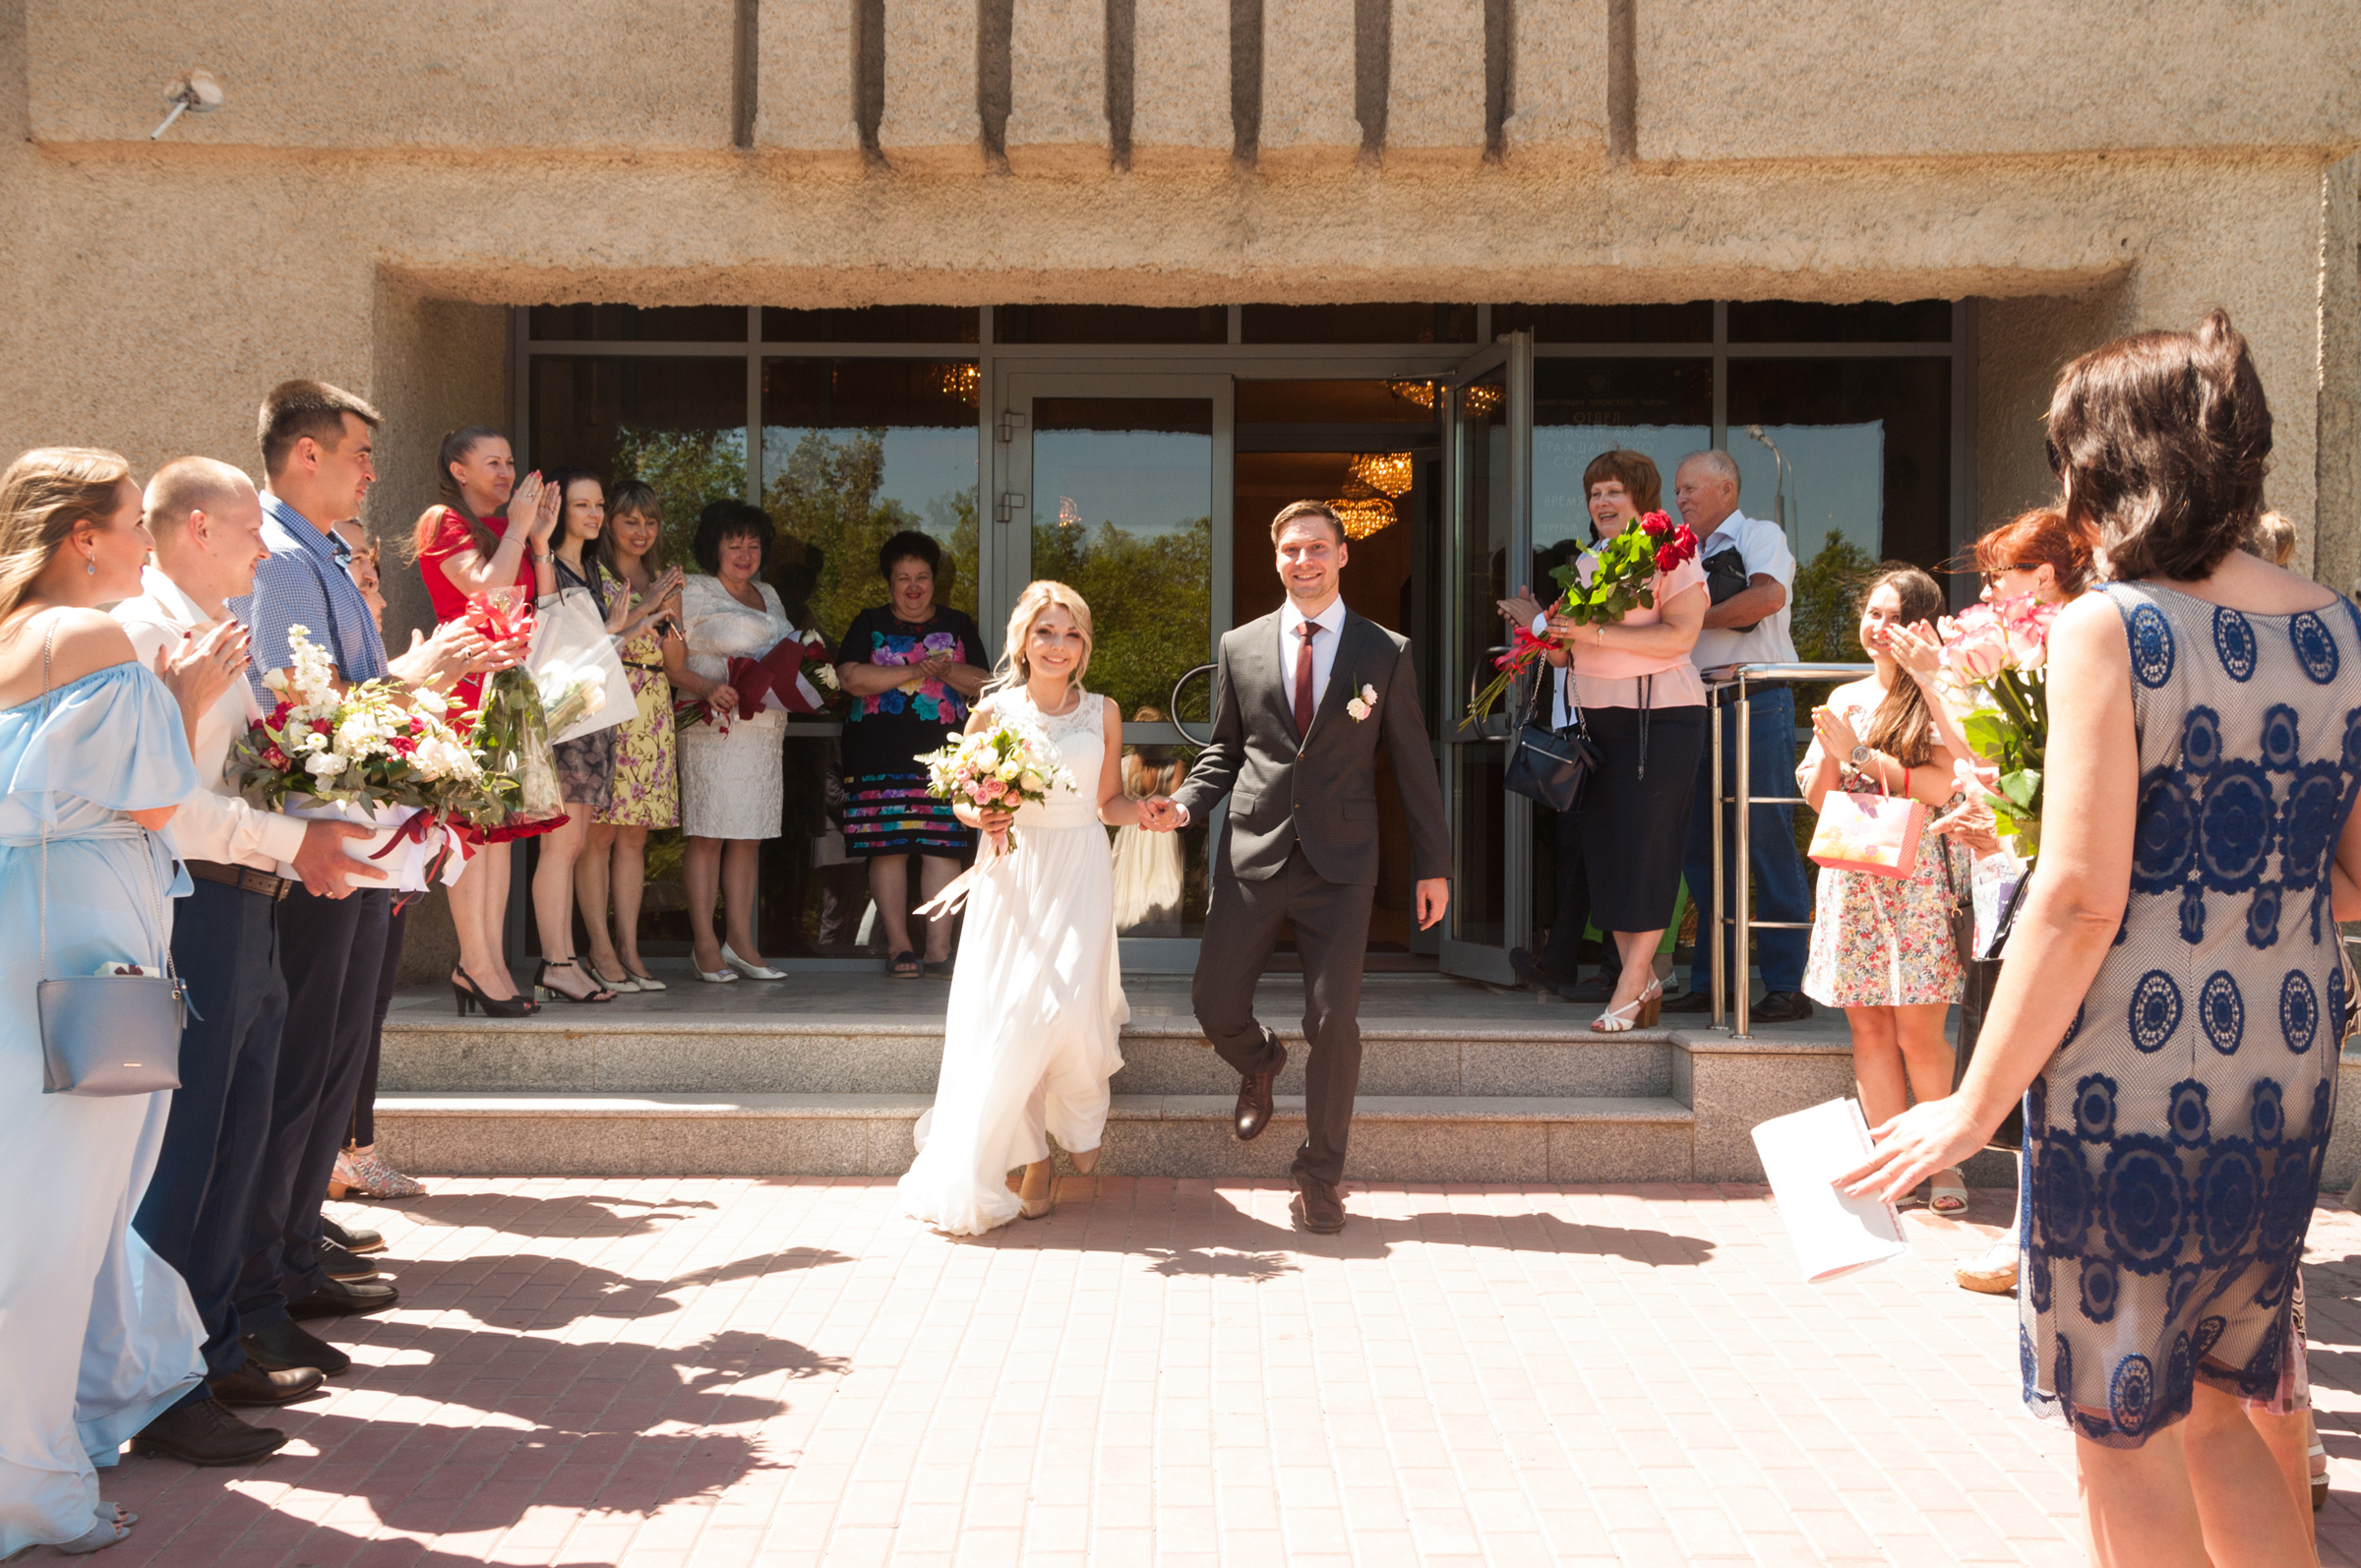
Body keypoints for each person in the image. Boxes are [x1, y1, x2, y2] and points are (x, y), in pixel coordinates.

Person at [1844, 310, 2353, 1566]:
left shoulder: (2111, 625)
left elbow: (2078, 901)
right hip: (2283, 1067)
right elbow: (2351, 881)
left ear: (2112, 463)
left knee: (2119, 1428)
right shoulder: (2336, 625)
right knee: (2226, 1405)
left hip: (2137, 1073)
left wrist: (1971, 1107)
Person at [111, 460, 376, 1467]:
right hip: (199, 903)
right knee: (189, 1153)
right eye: (247, 531)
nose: (265, 550)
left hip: (251, 900)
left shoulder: (215, 628)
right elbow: (165, 801)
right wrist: (292, 841)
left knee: (239, 1136)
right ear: (194, 526)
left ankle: (215, 1346)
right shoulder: (145, 632)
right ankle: (164, 1382)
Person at [0, 448, 206, 1555]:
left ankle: (49, 1451)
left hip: (20, 930)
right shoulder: (92, 641)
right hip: (77, 949)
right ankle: (30, 1489)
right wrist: (188, 698)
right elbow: (164, 799)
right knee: (59, 1226)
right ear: (83, 537)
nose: (145, 543)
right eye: (133, 522)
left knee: (24, 1209)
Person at [1148, 501, 1450, 1235]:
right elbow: (1225, 750)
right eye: (1291, 549)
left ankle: (1320, 1176)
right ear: (1276, 558)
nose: (1304, 560)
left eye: (1317, 547)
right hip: (1253, 849)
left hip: (1341, 861)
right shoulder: (1241, 644)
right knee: (1214, 1002)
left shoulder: (1385, 650)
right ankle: (1261, 1061)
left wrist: (1433, 865)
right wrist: (1184, 806)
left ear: (1342, 555)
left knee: (1334, 1020)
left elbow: (1414, 762)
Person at [226, 382, 407, 1373]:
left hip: (350, 834)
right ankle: (262, 1280)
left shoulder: (322, 552)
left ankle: (293, 1254)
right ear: (305, 453)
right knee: (297, 1069)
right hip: (310, 842)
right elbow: (299, 705)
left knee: (330, 1060)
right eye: (357, 453)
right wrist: (415, 686)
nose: (370, 471)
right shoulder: (286, 560)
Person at [898, 581, 1135, 1233]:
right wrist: (980, 812)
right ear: (1023, 641)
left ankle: (1077, 1116)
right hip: (1013, 869)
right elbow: (961, 797)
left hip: (1081, 867)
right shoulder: (992, 710)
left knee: (1068, 1010)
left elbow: (1108, 802)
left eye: (1071, 634)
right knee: (1016, 1015)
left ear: (1084, 645)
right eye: (1046, 632)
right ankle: (1034, 1159)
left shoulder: (1104, 712)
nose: (1059, 645)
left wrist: (1147, 812)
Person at [1505, 452, 1710, 1034]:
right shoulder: (1590, 561)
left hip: (1660, 722)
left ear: (1641, 497)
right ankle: (1639, 979)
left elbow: (1682, 636)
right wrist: (1541, 631)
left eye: (1614, 491)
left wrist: (1591, 629)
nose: (1602, 502)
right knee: (1608, 856)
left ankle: (1631, 980)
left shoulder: (1670, 553)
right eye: (1595, 493)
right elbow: (1566, 656)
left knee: (1647, 851)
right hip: (1597, 724)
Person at [1798, 565, 1974, 1213]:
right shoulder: (1845, 695)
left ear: (1922, 626)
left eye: (1895, 616)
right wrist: (1831, 752)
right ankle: (1890, 1167)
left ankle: (1945, 1166)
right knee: (1869, 1031)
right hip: (1853, 880)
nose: (1879, 626)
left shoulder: (1938, 692)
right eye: (1873, 613)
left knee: (1919, 1034)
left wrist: (1860, 755)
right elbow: (1817, 798)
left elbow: (1942, 786)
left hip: (1918, 882)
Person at [1662, 448, 1815, 1023]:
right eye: (1678, 489)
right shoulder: (1679, 553)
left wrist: (1687, 618)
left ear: (1727, 488)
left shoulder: (1759, 534)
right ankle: (1714, 982)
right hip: (1695, 706)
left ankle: (1786, 985)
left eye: (1691, 487)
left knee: (1767, 839)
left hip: (1755, 703)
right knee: (1702, 850)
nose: (1680, 498)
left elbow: (1768, 597)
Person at [412, 424, 561, 1015]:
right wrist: (520, 528)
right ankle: (474, 963)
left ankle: (490, 963)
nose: (507, 473)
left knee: (497, 836)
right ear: (459, 471)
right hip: (464, 686)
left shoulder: (508, 528)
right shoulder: (442, 521)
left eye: (510, 462)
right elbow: (484, 590)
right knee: (469, 833)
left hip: (506, 686)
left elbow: (538, 604)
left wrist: (538, 539)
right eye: (493, 463)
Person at [834, 532, 989, 977]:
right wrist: (911, 670)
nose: (914, 586)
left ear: (934, 581)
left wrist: (947, 670)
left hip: (947, 759)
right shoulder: (869, 621)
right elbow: (850, 678)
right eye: (903, 578)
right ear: (890, 582)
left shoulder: (958, 624)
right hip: (877, 756)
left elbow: (984, 684)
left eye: (922, 576)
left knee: (942, 847)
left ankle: (939, 951)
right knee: (889, 849)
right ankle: (899, 946)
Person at [671, 501, 808, 982]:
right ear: (714, 547)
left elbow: (786, 653)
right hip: (712, 727)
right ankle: (704, 945)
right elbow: (669, 662)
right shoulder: (691, 589)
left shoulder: (768, 593)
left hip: (763, 732)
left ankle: (741, 943)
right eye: (734, 544)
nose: (745, 554)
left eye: (753, 545)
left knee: (749, 835)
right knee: (708, 834)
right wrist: (707, 687)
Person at [526, 468, 636, 1004]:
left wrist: (620, 628)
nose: (594, 514)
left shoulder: (589, 568)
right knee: (561, 846)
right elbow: (547, 626)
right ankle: (556, 963)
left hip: (592, 719)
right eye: (582, 505)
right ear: (557, 509)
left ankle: (566, 960)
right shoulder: (547, 560)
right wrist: (539, 546)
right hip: (566, 722)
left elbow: (587, 645)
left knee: (572, 847)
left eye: (598, 505)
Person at [579, 481, 684, 992]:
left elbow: (676, 663)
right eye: (631, 521)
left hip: (652, 705)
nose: (642, 531)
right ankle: (599, 948)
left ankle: (629, 947)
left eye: (651, 522)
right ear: (610, 524)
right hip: (607, 700)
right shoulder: (590, 573)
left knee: (634, 836)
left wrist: (672, 612)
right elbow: (594, 647)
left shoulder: (665, 579)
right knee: (597, 835)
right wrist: (647, 605)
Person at [1111, 704, 1187, 935]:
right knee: (1160, 896)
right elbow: (1174, 802)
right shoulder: (1174, 766)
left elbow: (1115, 801)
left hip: (1136, 832)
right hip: (1160, 832)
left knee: (1131, 895)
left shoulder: (1123, 764)